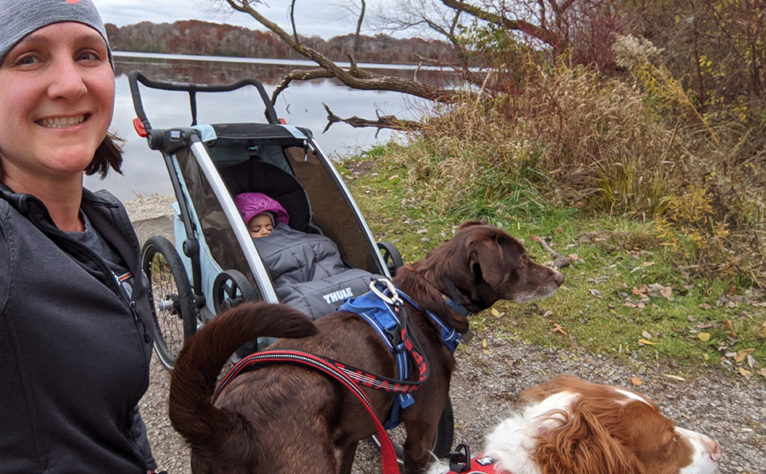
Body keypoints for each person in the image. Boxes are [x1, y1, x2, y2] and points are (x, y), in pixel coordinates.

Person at [0, 0, 159, 472]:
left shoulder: (107, 219)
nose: (71, 84)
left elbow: (118, 407)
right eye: (29, 57)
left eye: (89, 54)